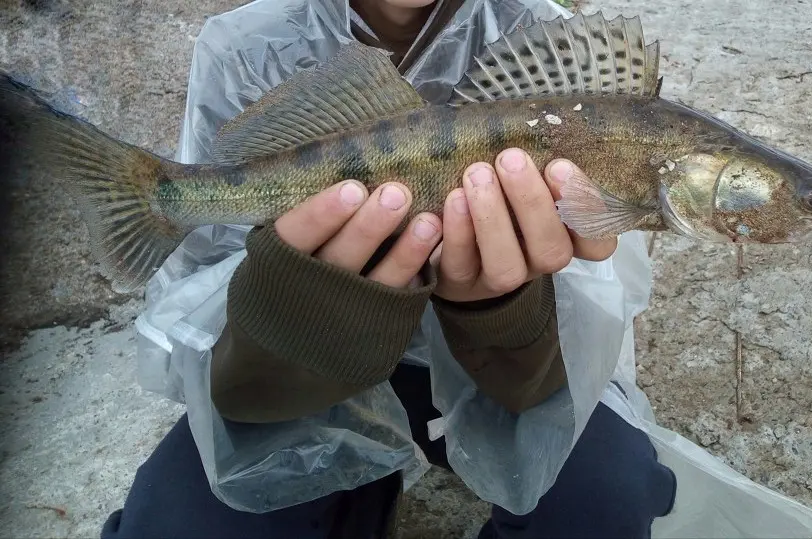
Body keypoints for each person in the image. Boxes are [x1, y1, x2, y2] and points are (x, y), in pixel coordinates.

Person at [101, 0, 677, 537]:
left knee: (604, 500)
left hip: (501, 372)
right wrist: (289, 309)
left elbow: (586, 335)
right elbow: (209, 318)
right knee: (177, 523)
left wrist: (503, 309)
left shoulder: (555, 42)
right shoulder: (245, 47)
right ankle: (359, 497)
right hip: (305, 372)